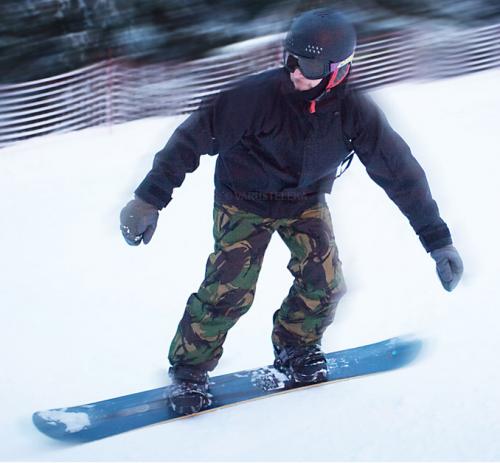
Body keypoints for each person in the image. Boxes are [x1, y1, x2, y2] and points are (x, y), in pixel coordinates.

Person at [120, 8, 464, 415]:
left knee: (326, 282)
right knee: (229, 288)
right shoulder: (252, 98)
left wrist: (437, 240)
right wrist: (149, 198)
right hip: (243, 200)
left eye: (311, 65)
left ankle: (296, 347)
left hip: (304, 201)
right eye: (292, 59)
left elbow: (400, 172)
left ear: (338, 71)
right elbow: (189, 140)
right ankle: (189, 370)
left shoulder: (355, 112)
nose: (297, 72)